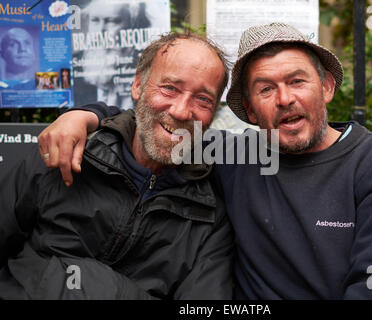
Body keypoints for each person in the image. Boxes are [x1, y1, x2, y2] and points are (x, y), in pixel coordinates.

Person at [37, 23, 372, 299]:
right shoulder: (236, 157)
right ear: (251, 112)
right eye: (265, 89)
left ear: (325, 87)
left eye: (297, 81)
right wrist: (84, 115)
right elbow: (158, 118)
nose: (285, 98)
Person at [0, 32, 233, 299]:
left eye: (203, 99)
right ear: (137, 86)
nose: (181, 111)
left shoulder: (209, 215)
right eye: (169, 88)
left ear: (213, 114)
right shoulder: (65, 152)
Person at [73, 1, 152, 107]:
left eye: (112, 21)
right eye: (95, 20)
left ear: (132, 25)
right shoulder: (74, 65)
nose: (100, 31)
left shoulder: (149, 65)